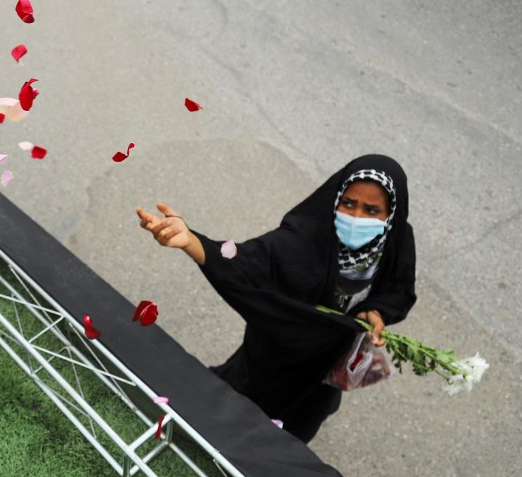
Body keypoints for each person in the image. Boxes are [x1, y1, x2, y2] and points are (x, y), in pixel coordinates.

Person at [136, 154, 416, 442]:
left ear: (391, 214)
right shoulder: (303, 238)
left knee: (296, 429)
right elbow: (246, 264)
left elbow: (399, 289)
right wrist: (192, 242)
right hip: (275, 354)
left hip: (325, 369)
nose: (356, 218)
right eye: (348, 203)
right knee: (235, 407)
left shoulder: (396, 242)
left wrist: (376, 312)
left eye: (371, 210)